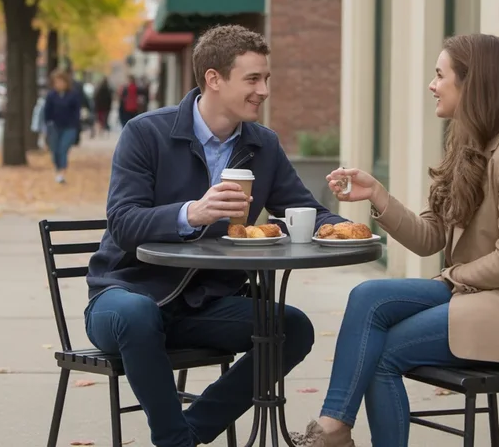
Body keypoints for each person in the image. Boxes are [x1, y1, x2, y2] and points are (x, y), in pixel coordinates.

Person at [291, 33, 499, 447]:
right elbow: (429, 237)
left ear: (472, 84)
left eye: (440, 75)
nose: (431, 85)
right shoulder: (469, 145)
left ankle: (332, 433)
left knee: (382, 354)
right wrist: (377, 195)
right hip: (476, 294)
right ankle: (334, 429)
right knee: (368, 295)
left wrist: (451, 278)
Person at [85, 24, 348, 447]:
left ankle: (190, 431)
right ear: (214, 78)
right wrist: (193, 212)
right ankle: (176, 441)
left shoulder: (263, 145)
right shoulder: (147, 133)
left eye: (266, 79)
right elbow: (123, 222)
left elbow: (306, 212)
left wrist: (341, 226)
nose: (263, 90)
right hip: (125, 295)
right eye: (252, 79)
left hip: (203, 305)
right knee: (138, 314)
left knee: (292, 328)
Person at [43, 69, 82, 184]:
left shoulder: (73, 95)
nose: (58, 84)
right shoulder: (51, 95)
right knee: (55, 150)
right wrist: (47, 125)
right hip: (54, 126)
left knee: (63, 149)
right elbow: (47, 111)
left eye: (60, 82)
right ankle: (58, 168)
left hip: (69, 127)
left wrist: (76, 125)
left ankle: (62, 173)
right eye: (56, 82)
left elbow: (76, 112)